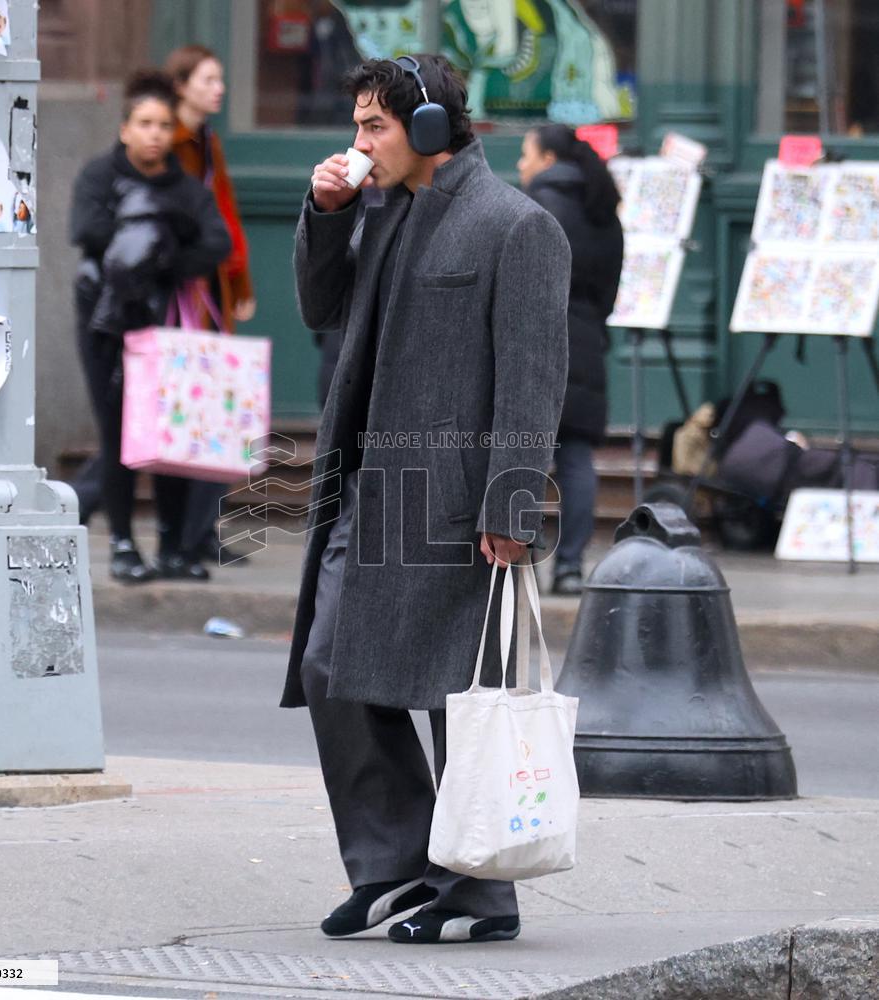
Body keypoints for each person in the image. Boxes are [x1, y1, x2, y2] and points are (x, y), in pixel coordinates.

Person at [284, 55, 569, 944]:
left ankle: (482, 890)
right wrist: (325, 213)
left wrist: (512, 508)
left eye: (375, 127)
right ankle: (397, 868)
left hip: (455, 500)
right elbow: (319, 308)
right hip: (368, 490)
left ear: (433, 130)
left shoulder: (516, 226)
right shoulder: (381, 209)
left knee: (458, 694)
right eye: (359, 125)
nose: (358, 144)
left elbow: (534, 380)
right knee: (331, 668)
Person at [69, 69, 231, 583]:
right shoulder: (99, 176)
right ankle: (120, 543)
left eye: (163, 124)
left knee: (170, 437)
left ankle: (172, 546)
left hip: (167, 327)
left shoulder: (184, 187)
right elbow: (87, 231)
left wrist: (160, 253)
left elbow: (215, 244)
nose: (155, 133)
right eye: (144, 123)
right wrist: (161, 232)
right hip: (107, 324)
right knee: (119, 437)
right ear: (125, 128)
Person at [518, 123, 623, 594]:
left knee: (524, 454)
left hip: (533, 339)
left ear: (545, 159)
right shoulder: (603, 209)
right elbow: (608, 291)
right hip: (584, 341)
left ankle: (523, 555)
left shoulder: (531, 207)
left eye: (525, 154)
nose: (520, 164)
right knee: (577, 457)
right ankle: (571, 566)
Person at [164, 44, 255, 566]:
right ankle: (185, 535)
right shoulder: (173, 142)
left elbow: (226, 213)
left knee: (214, 413)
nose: (218, 89)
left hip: (210, 292)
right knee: (180, 414)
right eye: (208, 80)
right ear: (181, 86)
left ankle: (201, 532)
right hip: (181, 296)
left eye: (220, 79)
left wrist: (238, 283)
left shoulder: (206, 140)